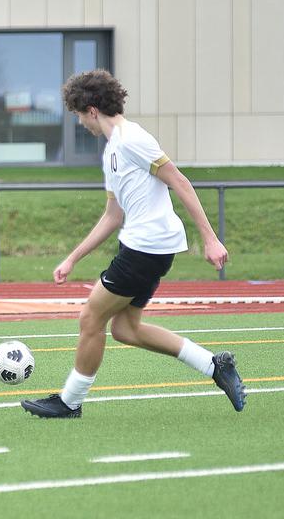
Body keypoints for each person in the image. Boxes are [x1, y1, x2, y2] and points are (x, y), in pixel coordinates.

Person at [21, 70, 245, 418]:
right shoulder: (112, 151)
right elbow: (113, 215)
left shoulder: (132, 139)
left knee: (90, 317)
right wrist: (72, 258)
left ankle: (70, 402)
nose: (81, 123)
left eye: (80, 115)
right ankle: (215, 366)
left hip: (147, 247)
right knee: (125, 329)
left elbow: (180, 182)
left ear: (92, 110)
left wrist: (211, 238)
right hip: (145, 248)